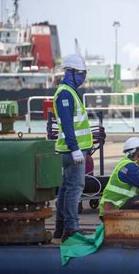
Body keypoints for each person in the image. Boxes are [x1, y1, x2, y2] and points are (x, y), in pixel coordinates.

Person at [53, 54, 93, 242]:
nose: (84, 78)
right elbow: (68, 124)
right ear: (72, 73)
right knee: (74, 189)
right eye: (82, 74)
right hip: (73, 151)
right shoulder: (65, 94)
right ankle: (71, 228)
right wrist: (76, 148)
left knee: (65, 189)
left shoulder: (69, 92)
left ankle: (60, 228)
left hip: (73, 149)